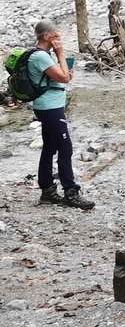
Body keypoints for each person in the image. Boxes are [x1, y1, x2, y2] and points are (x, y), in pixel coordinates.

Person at [29, 21, 94, 210]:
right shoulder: (41, 56)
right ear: (46, 36)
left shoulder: (43, 55)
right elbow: (64, 78)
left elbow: (63, 77)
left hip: (50, 106)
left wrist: (65, 70)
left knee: (49, 147)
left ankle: (47, 191)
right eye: (56, 36)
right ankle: (71, 193)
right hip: (49, 108)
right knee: (65, 148)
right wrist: (60, 53)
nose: (59, 39)